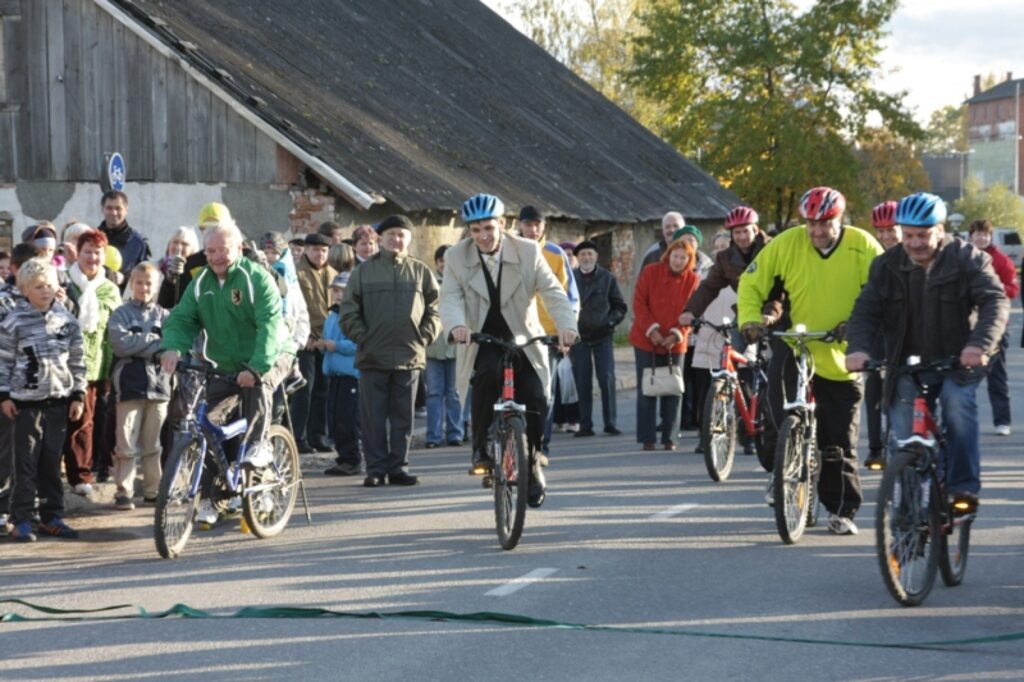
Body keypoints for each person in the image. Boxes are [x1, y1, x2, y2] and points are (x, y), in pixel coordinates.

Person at [846, 192, 1008, 514]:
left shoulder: (967, 258)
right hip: (906, 365)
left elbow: (995, 301)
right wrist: (859, 349)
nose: (915, 243)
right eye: (908, 235)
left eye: (923, 235)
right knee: (904, 437)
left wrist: (978, 345)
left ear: (940, 230)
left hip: (957, 363)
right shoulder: (886, 265)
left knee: (957, 406)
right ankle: (906, 518)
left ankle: (962, 488)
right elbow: (865, 311)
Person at [738, 186, 884, 536]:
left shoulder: (862, 245)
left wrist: (858, 326)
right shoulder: (787, 243)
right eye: (811, 224)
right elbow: (752, 282)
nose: (817, 231)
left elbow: (883, 292)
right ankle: (784, 467)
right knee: (777, 410)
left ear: (840, 220)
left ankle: (841, 509)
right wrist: (750, 320)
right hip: (797, 343)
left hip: (842, 352)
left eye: (825, 224)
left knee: (838, 442)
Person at [440, 194, 578, 507]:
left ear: (502, 224)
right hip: (482, 336)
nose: (483, 236)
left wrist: (567, 327)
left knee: (536, 395)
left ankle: (534, 459)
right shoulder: (456, 256)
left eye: (489, 228)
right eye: (475, 230)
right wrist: (457, 326)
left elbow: (553, 292)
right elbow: (449, 298)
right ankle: (481, 448)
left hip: (523, 335)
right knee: (485, 377)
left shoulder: (527, 250)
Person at [160, 219, 293, 524]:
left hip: (272, 353)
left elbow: (270, 326)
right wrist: (173, 348)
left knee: (258, 386)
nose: (216, 257)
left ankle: (260, 448)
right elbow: (182, 319)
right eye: (210, 251)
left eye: (223, 250)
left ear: (239, 248)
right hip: (226, 365)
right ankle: (212, 496)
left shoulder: (256, 278)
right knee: (207, 426)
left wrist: (257, 367)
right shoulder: (201, 284)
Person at [340, 214, 441, 488]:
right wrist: (363, 337)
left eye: (401, 234)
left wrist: (424, 336)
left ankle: (398, 467)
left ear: (409, 238)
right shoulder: (363, 272)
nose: (396, 239)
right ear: (380, 238)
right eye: (391, 234)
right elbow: (347, 311)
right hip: (372, 357)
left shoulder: (421, 271)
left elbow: (435, 309)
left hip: (409, 356)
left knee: (403, 418)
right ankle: (375, 469)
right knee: (372, 419)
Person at [0, 258, 86, 542]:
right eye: (38, 286)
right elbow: (3, 361)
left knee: (51, 462)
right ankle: (21, 518)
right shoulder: (13, 321)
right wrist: (4, 395)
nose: (45, 290)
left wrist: (78, 393)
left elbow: (77, 359)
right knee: (24, 464)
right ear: (25, 290)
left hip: (58, 402)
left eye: (49, 284)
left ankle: (52, 516)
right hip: (25, 404)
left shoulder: (66, 319)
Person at [107, 262, 171, 510]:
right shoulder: (120, 314)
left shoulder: (164, 316)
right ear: (132, 284)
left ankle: (153, 491)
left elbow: (170, 344)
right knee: (125, 444)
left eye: (149, 283)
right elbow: (120, 344)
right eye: (139, 283)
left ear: (156, 286)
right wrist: (153, 340)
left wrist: (139, 343)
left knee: (153, 445)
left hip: (159, 387)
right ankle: (124, 491)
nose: (144, 288)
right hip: (129, 386)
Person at [517, 205, 580, 456]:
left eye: (537, 225)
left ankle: (541, 446)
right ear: (519, 225)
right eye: (528, 224)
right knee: (512, 391)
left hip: (549, 336)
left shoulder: (555, 254)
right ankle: (511, 438)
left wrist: (567, 331)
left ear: (544, 226)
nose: (533, 230)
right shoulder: (509, 251)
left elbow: (570, 296)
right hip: (517, 332)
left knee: (544, 393)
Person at [63, 230, 121, 496]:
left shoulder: (109, 290)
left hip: (95, 366)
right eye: (87, 251)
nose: (92, 258)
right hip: (63, 365)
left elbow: (113, 333)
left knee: (84, 423)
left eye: (97, 253)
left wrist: (109, 371)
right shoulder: (64, 283)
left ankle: (80, 476)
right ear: (78, 253)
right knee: (60, 421)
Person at [630, 234, 699, 451]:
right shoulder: (650, 271)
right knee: (647, 388)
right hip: (645, 339)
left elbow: (693, 311)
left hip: (675, 342)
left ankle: (670, 438)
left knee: (673, 390)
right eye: (675, 256)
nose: (678, 261)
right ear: (668, 255)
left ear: (689, 261)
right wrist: (652, 330)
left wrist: (676, 334)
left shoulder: (693, 280)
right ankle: (647, 438)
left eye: (683, 258)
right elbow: (639, 303)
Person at [0, 244, 39, 533]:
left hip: (35, 389)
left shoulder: (46, 299)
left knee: (28, 452)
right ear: (14, 270)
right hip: (8, 386)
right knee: (6, 451)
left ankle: (24, 508)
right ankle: (4, 511)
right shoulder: (5, 301)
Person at [967, 219, 1018, 436]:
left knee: (997, 376)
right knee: (963, 378)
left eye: (985, 235)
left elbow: (1013, 289)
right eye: (977, 234)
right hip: (967, 325)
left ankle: (1002, 421)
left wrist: (992, 288)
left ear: (990, 237)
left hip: (995, 327)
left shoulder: (1001, 260)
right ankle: (962, 422)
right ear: (970, 236)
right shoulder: (962, 258)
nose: (981, 238)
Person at [570, 240, 626, 437]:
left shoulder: (607, 278)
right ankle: (585, 425)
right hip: (579, 337)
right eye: (582, 254)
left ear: (596, 257)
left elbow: (620, 306)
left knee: (606, 378)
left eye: (590, 254)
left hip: (603, 336)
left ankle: (610, 423)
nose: (586, 257)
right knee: (582, 380)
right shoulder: (570, 277)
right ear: (577, 258)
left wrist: (609, 323)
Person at [292, 233, 338, 453]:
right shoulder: (297, 274)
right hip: (306, 340)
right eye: (315, 249)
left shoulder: (334, 274)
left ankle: (317, 436)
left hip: (327, 339)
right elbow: (294, 309)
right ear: (306, 250)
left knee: (323, 390)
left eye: (324, 250)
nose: (319, 254)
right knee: (304, 389)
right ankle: (298, 437)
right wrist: (306, 336)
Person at [321, 272, 363, 476]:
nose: (338, 295)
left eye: (343, 291)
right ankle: (343, 458)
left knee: (348, 419)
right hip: (335, 374)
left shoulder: (357, 315)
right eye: (335, 290)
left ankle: (352, 459)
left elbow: (359, 343)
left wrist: (335, 345)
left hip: (351, 374)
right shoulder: (332, 316)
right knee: (336, 419)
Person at [424, 245, 464, 448]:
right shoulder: (429, 283)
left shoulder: (462, 282)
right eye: (441, 261)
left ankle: (455, 433)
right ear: (437, 262)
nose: (445, 265)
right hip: (433, 347)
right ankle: (433, 436)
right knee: (434, 393)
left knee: (455, 394)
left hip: (457, 347)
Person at [175, 202, 232, 303]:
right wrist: (171, 281)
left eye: (216, 228)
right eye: (206, 229)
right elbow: (175, 304)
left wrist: (261, 267)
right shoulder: (191, 264)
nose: (211, 234)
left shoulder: (246, 259)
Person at [97, 190, 152, 289]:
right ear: (102, 209)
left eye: (118, 208)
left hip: (125, 297)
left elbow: (147, 276)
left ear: (126, 210)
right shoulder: (91, 239)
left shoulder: (139, 244)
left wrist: (125, 279)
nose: (114, 213)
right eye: (109, 208)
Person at [157, 226, 201, 308]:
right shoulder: (157, 269)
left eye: (184, 244)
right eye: (175, 242)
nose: (178, 247)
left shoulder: (197, 275)